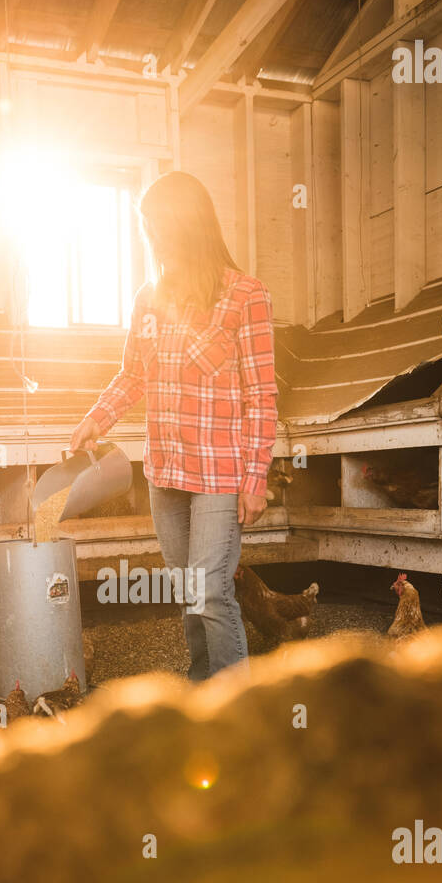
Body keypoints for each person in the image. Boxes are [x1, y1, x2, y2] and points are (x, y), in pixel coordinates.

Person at [70, 170, 278, 680]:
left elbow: (262, 395)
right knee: (188, 590)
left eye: (159, 224)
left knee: (210, 590)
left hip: (220, 475)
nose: (153, 236)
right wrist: (97, 417)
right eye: (147, 226)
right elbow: (133, 374)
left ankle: (234, 704)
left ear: (188, 224)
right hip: (165, 472)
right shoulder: (149, 299)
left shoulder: (245, 295)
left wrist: (256, 479)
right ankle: (202, 685)